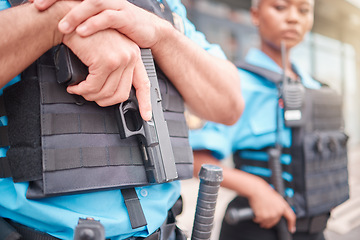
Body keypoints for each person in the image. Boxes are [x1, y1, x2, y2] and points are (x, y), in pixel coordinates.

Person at [0, 0, 245, 239]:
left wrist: (160, 35)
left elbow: (229, 105)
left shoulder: (161, 6)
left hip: (165, 229)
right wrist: (60, 20)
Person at [190, 0, 349, 239]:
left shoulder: (315, 87)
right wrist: (257, 190)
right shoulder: (236, 84)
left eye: (304, 10)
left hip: (314, 230)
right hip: (259, 227)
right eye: (280, 7)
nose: (293, 18)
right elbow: (196, 159)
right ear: (255, 15)